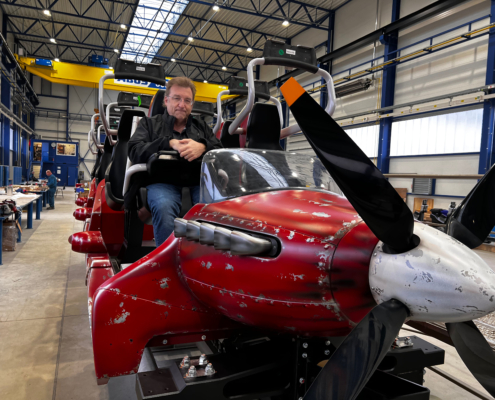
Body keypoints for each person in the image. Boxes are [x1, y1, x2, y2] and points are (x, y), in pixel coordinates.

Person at [128, 76, 222, 246]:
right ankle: (168, 259)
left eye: (187, 100)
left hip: (197, 182)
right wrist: (168, 143)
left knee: (216, 209)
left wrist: (203, 146)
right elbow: (135, 150)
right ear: (166, 101)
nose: (181, 104)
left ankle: (206, 257)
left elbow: (221, 151)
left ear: (192, 104)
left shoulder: (201, 128)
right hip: (161, 181)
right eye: (177, 98)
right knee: (164, 207)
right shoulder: (149, 124)